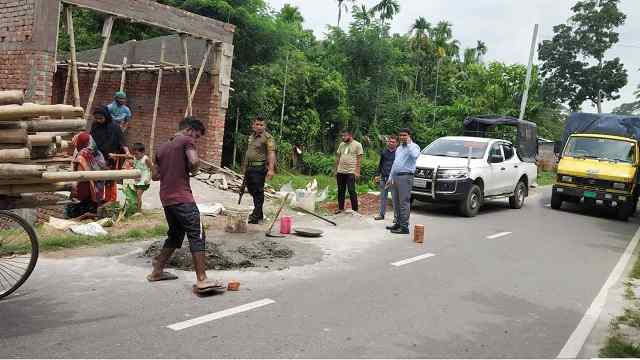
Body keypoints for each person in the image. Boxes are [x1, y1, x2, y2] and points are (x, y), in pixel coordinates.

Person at [148, 117, 223, 290]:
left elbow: (155, 176)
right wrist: (194, 169)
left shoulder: (161, 147)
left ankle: (157, 271)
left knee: (175, 235)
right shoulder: (186, 140)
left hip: (167, 199)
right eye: (196, 136)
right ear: (189, 130)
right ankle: (202, 279)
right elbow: (194, 161)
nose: (195, 140)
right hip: (182, 198)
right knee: (197, 234)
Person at [90, 106, 129, 203]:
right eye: (97, 118)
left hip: (110, 158)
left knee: (110, 180)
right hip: (97, 158)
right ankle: (97, 200)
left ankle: (110, 202)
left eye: (101, 118)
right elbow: (91, 139)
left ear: (106, 116)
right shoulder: (95, 125)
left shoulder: (115, 127)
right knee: (97, 180)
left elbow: (122, 141)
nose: (99, 120)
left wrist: (127, 152)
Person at [64, 132, 107, 219]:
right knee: (91, 204)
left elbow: (80, 172)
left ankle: (82, 216)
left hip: (85, 184)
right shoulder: (97, 152)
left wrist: (74, 186)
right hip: (98, 186)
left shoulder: (82, 154)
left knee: (80, 204)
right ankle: (91, 214)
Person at [387, 128, 421, 235]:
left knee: (404, 202)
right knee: (396, 202)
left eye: (405, 135)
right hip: (396, 177)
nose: (402, 137)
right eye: (401, 135)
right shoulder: (399, 148)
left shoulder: (414, 146)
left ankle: (404, 226)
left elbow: (415, 156)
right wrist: (390, 177)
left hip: (406, 177)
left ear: (409, 136)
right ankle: (397, 223)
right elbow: (395, 164)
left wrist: (409, 143)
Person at [243, 116, 276, 224]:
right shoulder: (251, 137)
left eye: (261, 125)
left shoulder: (268, 138)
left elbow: (271, 153)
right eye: (257, 124)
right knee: (252, 190)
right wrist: (244, 168)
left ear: (265, 126)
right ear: (253, 126)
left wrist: (271, 169)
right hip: (250, 168)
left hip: (259, 168)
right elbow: (248, 153)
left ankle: (256, 216)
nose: (259, 127)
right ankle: (259, 213)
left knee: (258, 191)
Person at [335, 130, 363, 214]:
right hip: (340, 171)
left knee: (351, 190)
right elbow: (338, 157)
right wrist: (336, 170)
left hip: (351, 171)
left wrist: (357, 171)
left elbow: (359, 159)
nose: (343, 137)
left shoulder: (357, 145)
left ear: (350, 135)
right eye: (342, 136)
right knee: (340, 190)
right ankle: (340, 208)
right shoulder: (341, 144)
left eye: (345, 136)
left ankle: (355, 209)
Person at [374, 135, 398, 221]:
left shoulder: (398, 153)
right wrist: (377, 175)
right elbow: (380, 164)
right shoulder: (384, 152)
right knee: (383, 197)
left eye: (393, 142)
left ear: (396, 143)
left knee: (395, 198)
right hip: (383, 178)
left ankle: (396, 217)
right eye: (390, 141)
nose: (391, 143)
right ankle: (381, 214)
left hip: (393, 179)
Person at [131, 142, 153, 213]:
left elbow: (152, 170)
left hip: (144, 180)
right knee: (134, 195)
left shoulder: (146, 159)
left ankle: (138, 211)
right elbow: (135, 167)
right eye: (134, 154)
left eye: (137, 154)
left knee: (138, 195)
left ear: (142, 152)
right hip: (137, 180)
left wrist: (148, 179)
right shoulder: (135, 158)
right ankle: (135, 209)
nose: (135, 156)